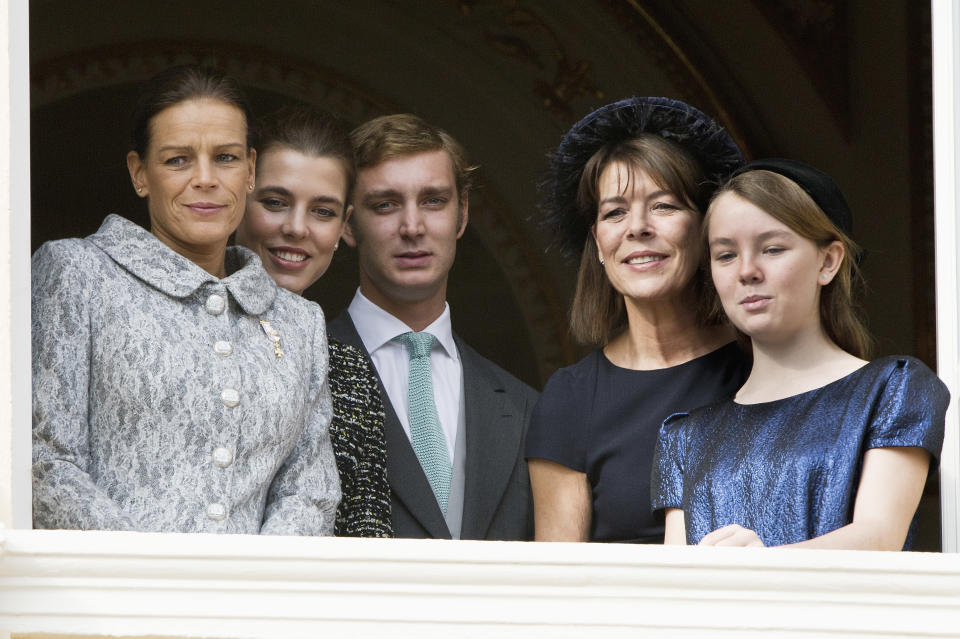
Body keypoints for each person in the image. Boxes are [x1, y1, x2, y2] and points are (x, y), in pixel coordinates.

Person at [31, 66, 341, 534]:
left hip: (250, 603)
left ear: (251, 170)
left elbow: (310, 491)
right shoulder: (77, 273)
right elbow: (43, 458)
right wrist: (152, 583)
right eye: (178, 160)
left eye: (226, 158)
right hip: (108, 598)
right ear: (140, 173)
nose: (205, 179)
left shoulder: (298, 321)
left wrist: (253, 590)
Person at [653, 159, 948, 549]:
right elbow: (675, 581)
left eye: (772, 249)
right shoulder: (684, 437)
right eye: (725, 255)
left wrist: (761, 570)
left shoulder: (893, 388)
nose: (747, 270)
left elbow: (879, 537)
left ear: (828, 261)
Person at [526, 97, 749, 543]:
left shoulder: (762, 366)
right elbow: (561, 584)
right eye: (614, 212)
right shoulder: (570, 399)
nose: (638, 227)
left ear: (705, 226)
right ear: (598, 243)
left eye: (664, 206)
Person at [327, 113, 537, 540]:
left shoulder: (525, 407)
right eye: (385, 204)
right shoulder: (300, 372)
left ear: (461, 217)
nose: (412, 227)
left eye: (433, 201)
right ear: (347, 224)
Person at [235, 106, 391, 537]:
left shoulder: (349, 371)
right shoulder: (170, 328)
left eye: (322, 212)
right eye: (274, 203)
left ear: (345, 226)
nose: (296, 227)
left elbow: (368, 539)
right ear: (236, 198)